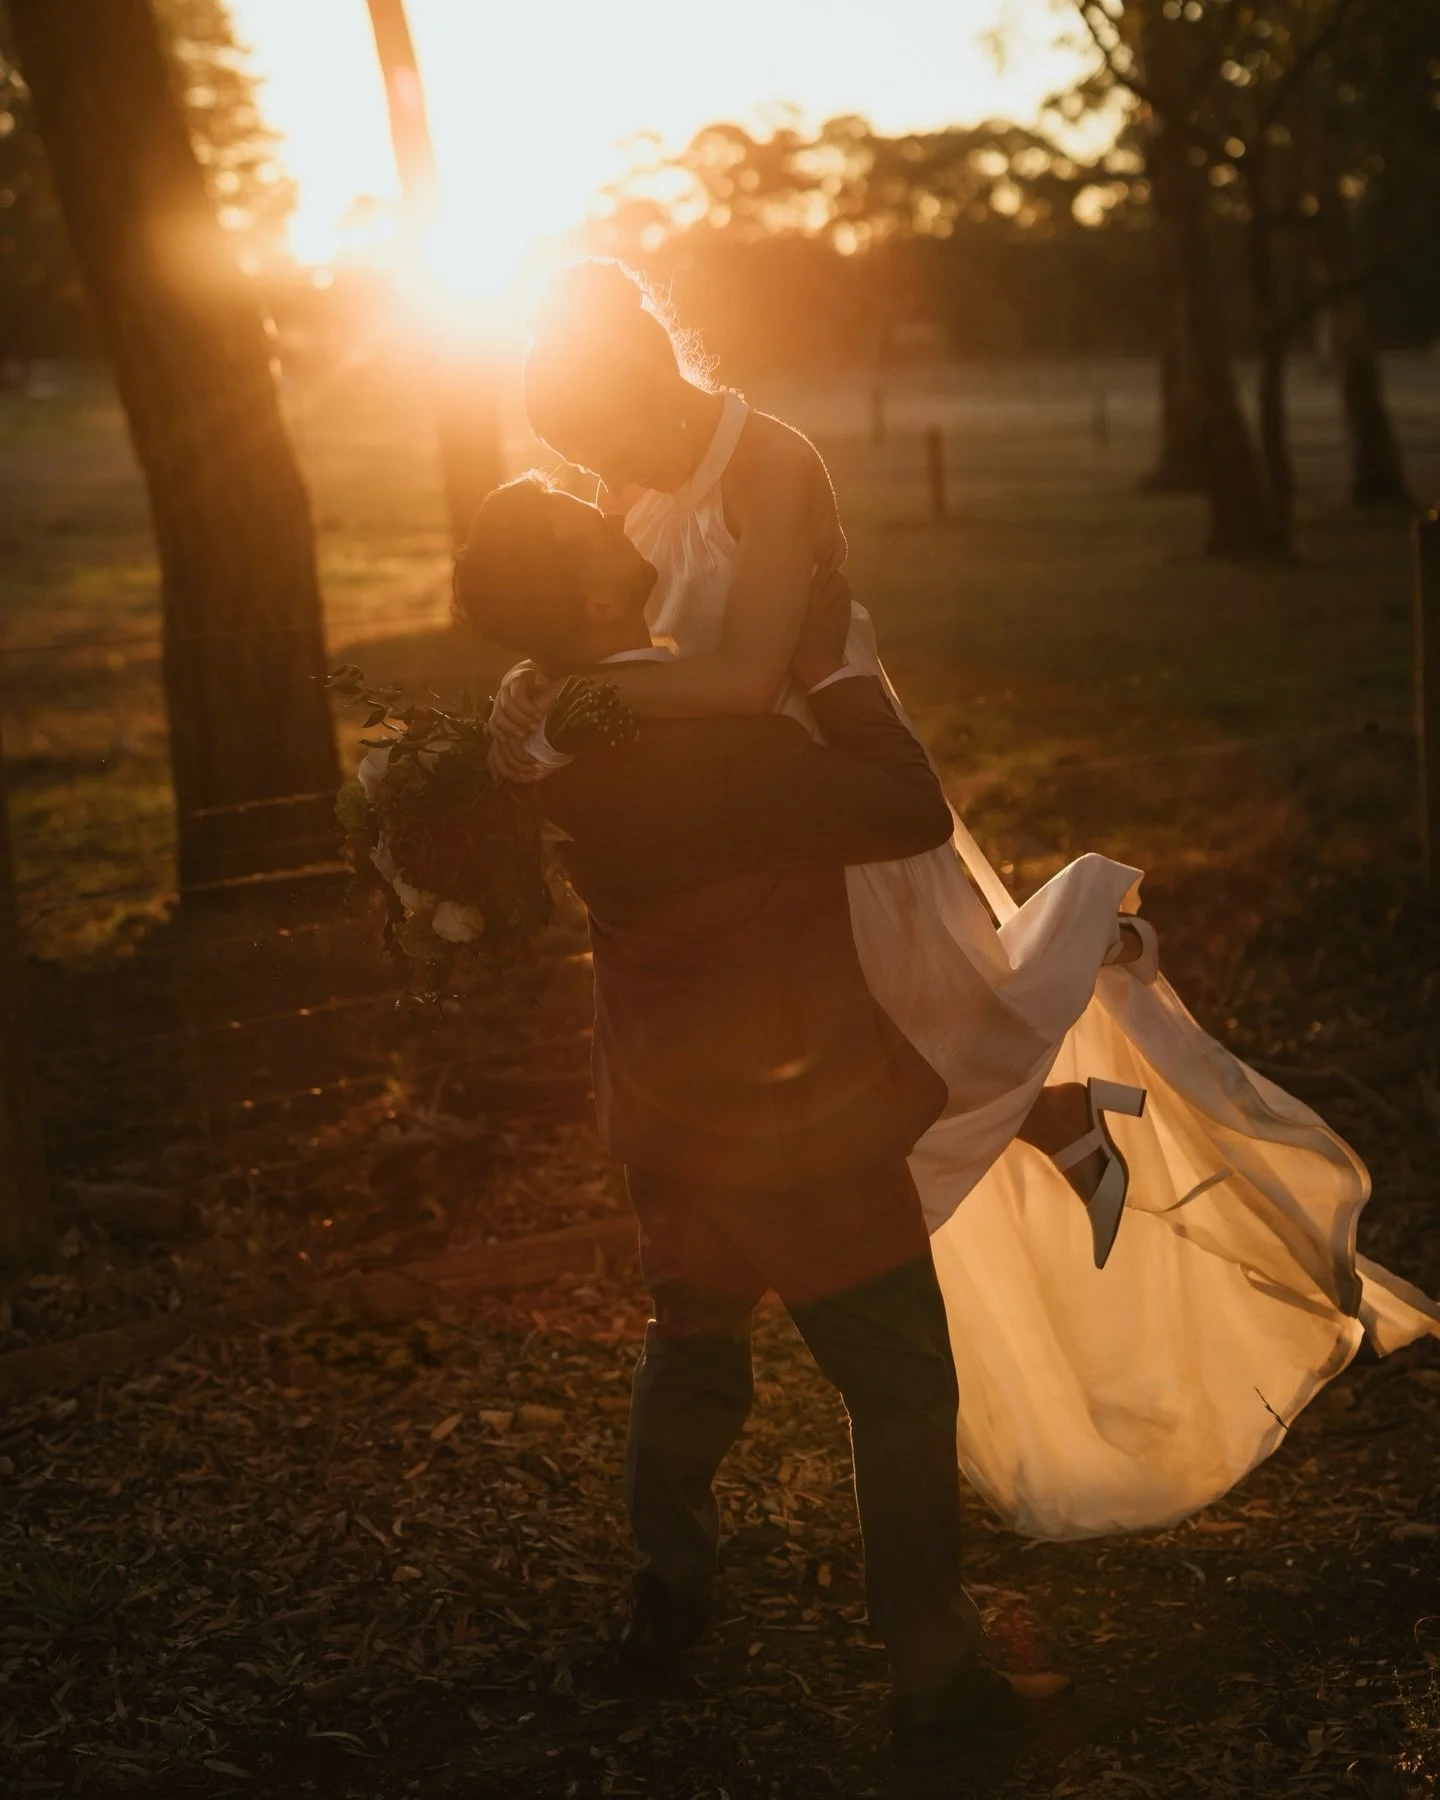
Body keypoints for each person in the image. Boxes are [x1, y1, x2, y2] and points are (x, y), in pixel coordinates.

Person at [482, 260, 1439, 1545]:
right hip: (731, 833)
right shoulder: (632, 475)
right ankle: (1057, 1121)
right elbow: (619, 639)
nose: (615, 478)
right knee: (886, 1079)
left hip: (826, 793)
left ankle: (1071, 1126)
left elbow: (748, 666)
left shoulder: (772, 463)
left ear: (649, 383)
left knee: (888, 1066)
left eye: (611, 441)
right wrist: (546, 691)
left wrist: (566, 695)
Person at [454, 473, 1068, 1762]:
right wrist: (835, 667)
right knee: (899, 1386)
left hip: (666, 1113)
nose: (610, 518)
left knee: (692, 1345)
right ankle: (936, 1680)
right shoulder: (730, 747)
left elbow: (590, 715)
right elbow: (904, 806)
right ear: (590, 592)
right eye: (585, 529)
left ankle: (668, 1598)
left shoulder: (550, 734)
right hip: (800, 1127)